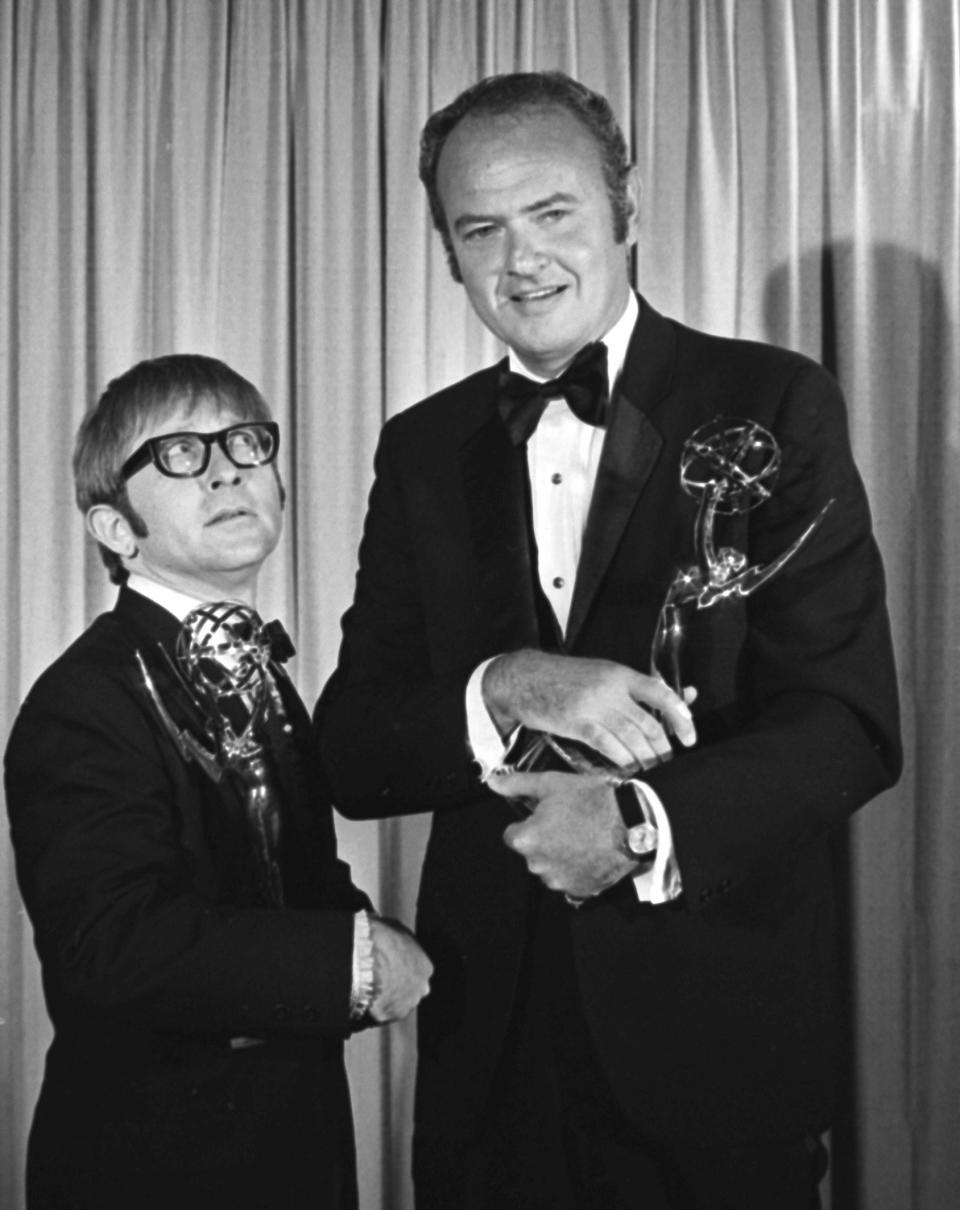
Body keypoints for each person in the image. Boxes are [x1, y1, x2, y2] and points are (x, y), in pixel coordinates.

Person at [316, 72, 901, 1210]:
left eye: (553, 213)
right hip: (492, 1050)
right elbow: (353, 749)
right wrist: (512, 685)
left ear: (626, 213)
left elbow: (849, 726)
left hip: (718, 1039)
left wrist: (641, 824)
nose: (519, 258)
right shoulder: (421, 449)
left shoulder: (777, 402)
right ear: (447, 254)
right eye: (478, 228)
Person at [4, 354, 433, 1210]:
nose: (229, 466)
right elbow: (110, 948)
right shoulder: (84, 699)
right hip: (159, 1167)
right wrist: (351, 959)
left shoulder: (261, 674)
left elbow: (282, 885)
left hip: (288, 1148)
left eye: (244, 442)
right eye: (180, 454)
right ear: (115, 530)